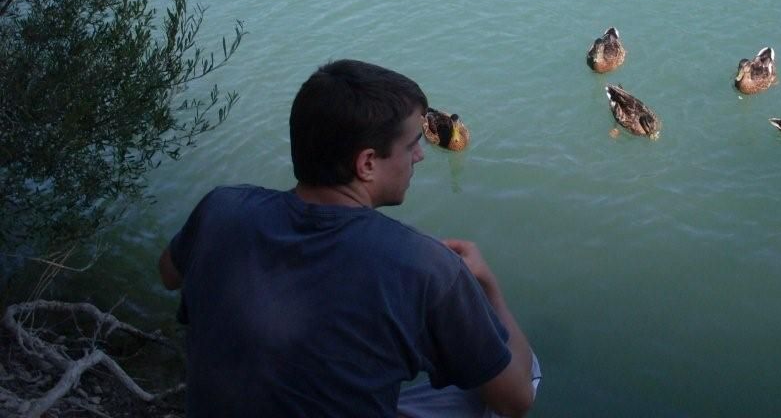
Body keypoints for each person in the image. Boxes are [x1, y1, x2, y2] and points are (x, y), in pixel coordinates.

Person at [158, 59, 538, 417]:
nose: (420, 156)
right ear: (367, 164)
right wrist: (488, 287)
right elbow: (515, 402)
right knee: (520, 370)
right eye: (410, 146)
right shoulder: (425, 267)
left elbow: (169, 274)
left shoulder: (220, 208)